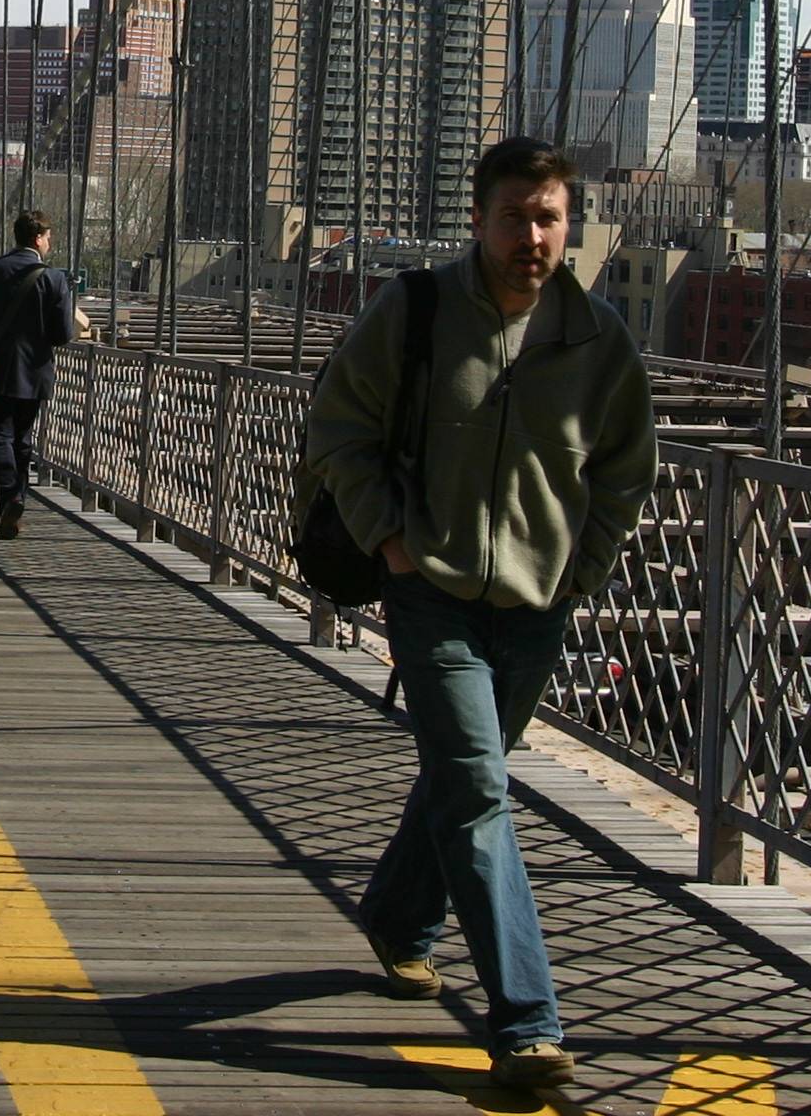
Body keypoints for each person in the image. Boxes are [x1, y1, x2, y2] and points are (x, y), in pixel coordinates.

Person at [296, 137, 655, 1092]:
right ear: (479, 219)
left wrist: (584, 572)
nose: (532, 236)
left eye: (549, 218)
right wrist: (390, 542)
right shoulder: (413, 310)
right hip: (433, 592)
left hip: (538, 605)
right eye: (514, 217)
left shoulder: (599, 343)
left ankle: (401, 919)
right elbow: (339, 426)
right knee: (478, 785)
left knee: (468, 776)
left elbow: (624, 472)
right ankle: (528, 1022)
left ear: (570, 226)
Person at [0, 208, 75, 539]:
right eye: (49, 238)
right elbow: (62, 334)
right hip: (35, 372)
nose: (50, 244)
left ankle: (9, 496)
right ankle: (17, 498)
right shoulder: (54, 279)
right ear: (38, 238)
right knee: (22, 440)